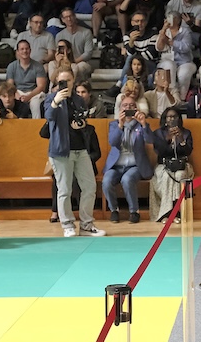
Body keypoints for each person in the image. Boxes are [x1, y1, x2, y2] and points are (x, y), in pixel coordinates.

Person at [44, 67, 106, 238]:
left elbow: (82, 118)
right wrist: (56, 101)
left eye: (68, 80)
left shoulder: (79, 99)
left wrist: (82, 125)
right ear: (56, 82)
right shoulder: (50, 98)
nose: (65, 84)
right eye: (61, 81)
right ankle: (67, 225)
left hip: (81, 148)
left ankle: (86, 225)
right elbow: (48, 117)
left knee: (89, 187)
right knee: (64, 189)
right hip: (61, 151)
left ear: (73, 81)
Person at [104, 94, 154, 224]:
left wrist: (144, 124)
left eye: (132, 106)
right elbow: (113, 142)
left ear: (136, 109)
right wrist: (120, 125)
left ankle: (134, 212)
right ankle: (114, 210)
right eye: (125, 106)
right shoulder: (114, 125)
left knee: (127, 179)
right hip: (116, 165)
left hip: (135, 165)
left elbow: (150, 140)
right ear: (120, 109)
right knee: (107, 180)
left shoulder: (140, 125)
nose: (128, 108)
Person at [150, 107, 193, 223]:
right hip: (164, 165)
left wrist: (180, 138)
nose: (172, 119)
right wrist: (167, 139)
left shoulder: (186, 132)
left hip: (182, 164)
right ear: (165, 119)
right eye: (169, 116)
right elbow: (160, 152)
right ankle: (166, 214)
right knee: (166, 178)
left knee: (180, 176)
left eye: (175, 116)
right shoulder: (158, 133)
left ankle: (177, 212)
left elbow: (188, 152)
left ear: (179, 119)